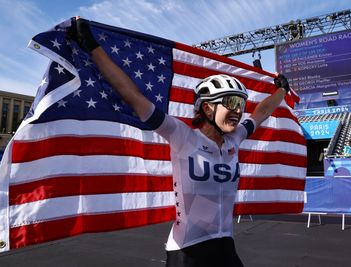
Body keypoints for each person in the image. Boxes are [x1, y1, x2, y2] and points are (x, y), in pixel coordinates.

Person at [68, 17, 291, 267]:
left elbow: (260, 113)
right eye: (230, 103)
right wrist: (91, 46)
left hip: (225, 243)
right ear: (207, 108)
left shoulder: (235, 138)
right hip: (187, 250)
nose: (238, 110)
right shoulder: (181, 135)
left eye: (239, 104)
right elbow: (132, 95)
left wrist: (281, 90)